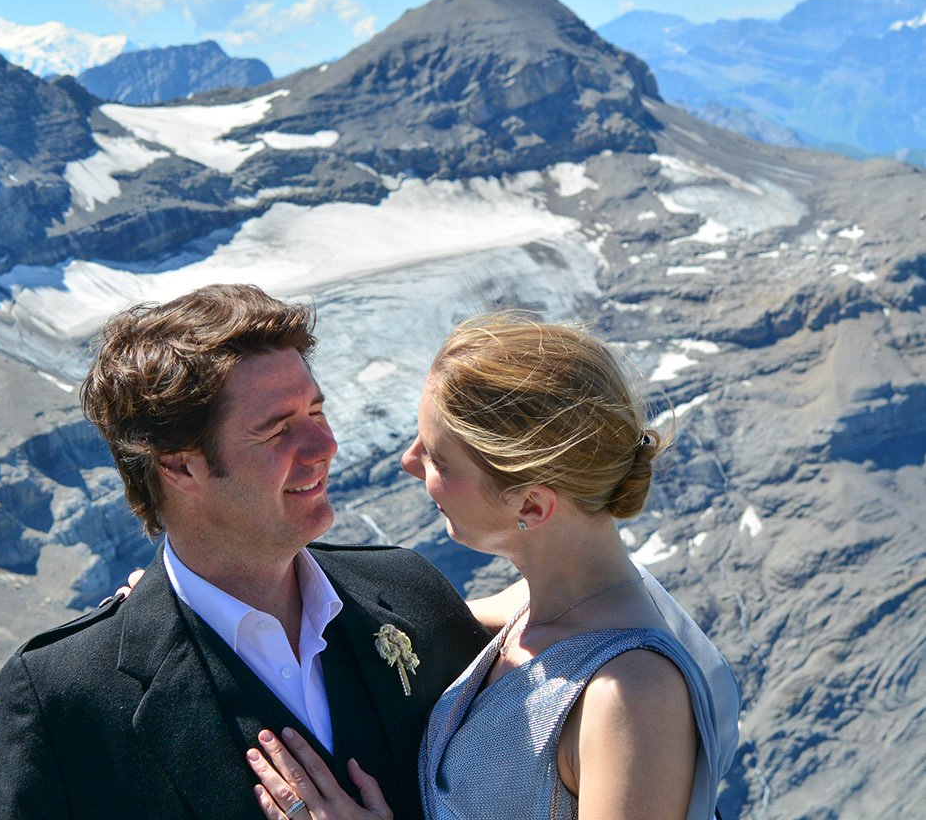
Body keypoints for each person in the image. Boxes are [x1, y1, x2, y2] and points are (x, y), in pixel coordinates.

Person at [0, 284, 488, 819]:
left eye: (316, 412)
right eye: (278, 431)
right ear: (178, 465)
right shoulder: (66, 697)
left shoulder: (411, 592)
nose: (325, 446)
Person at [248, 314, 740, 820]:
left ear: (530, 505)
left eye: (438, 460)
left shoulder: (633, 695)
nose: (409, 462)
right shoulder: (529, 607)